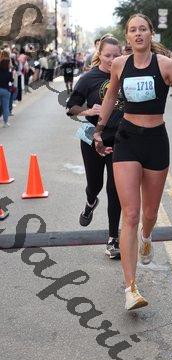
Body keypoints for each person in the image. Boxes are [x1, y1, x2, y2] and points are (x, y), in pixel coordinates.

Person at [93, 14, 172, 311]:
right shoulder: (119, 65)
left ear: (151, 33)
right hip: (127, 138)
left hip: (156, 141)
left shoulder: (166, 65)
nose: (138, 34)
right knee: (131, 213)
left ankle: (147, 236)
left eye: (143, 29)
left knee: (149, 213)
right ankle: (130, 288)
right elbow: (110, 98)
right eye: (132, 30)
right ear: (127, 36)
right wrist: (99, 130)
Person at [66, 35, 123, 260]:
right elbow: (71, 107)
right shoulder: (88, 78)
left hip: (119, 139)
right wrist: (88, 111)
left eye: (116, 55)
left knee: (115, 189)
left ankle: (113, 239)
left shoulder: (126, 75)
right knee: (95, 184)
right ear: (100, 54)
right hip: (92, 137)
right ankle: (91, 202)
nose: (112, 59)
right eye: (108, 55)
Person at [0, 56, 13, 127]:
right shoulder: (9, 73)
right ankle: (5, 123)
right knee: (5, 107)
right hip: (5, 90)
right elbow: (11, 81)